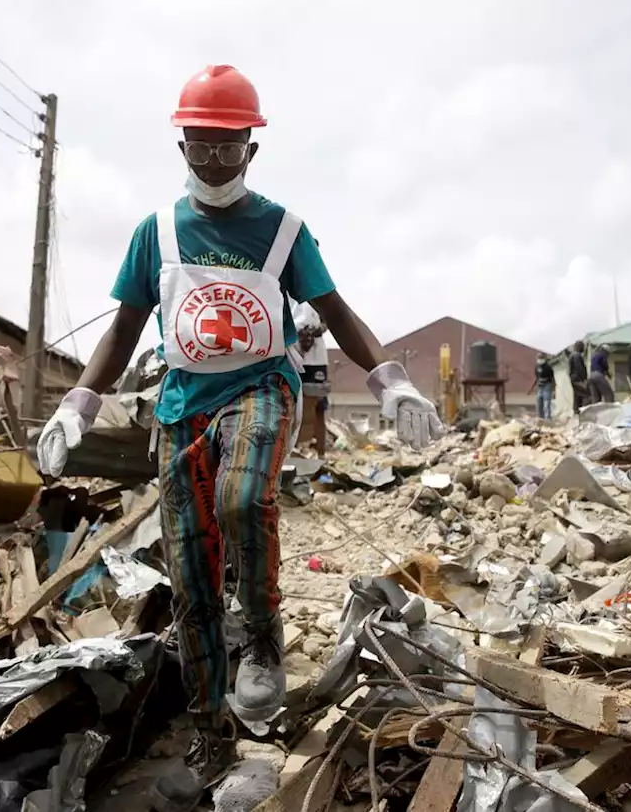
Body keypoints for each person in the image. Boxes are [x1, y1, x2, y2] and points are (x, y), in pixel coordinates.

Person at [34, 65, 445, 812]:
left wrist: (392, 381)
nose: (214, 159)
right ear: (182, 143)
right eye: (201, 144)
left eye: (229, 145)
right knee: (190, 575)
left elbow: (335, 309)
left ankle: (261, 634)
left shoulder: (281, 228)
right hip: (181, 403)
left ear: (251, 148)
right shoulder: (154, 233)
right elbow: (124, 327)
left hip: (260, 387)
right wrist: (79, 405)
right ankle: (211, 734)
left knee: (244, 493)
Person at [292, 298, 329, 454]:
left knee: (317, 404)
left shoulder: (317, 293)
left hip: (316, 358)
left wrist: (317, 330)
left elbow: (329, 318)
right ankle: (295, 450)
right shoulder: (281, 289)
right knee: (292, 403)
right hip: (292, 352)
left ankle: (318, 452)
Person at [530, 352, 555, 420]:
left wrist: (553, 390)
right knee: (539, 403)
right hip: (540, 386)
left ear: (544, 359)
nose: (540, 360)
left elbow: (552, 378)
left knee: (547, 403)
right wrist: (531, 388)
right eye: (539, 358)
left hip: (547, 385)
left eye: (541, 358)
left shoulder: (548, 367)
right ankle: (540, 418)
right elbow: (536, 377)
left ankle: (547, 419)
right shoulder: (537, 366)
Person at [568, 340, 589, 414]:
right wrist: (584, 379)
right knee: (586, 394)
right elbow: (579, 368)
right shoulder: (577, 355)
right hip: (578, 379)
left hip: (574, 378)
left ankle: (576, 411)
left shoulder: (572, 355)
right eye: (583, 347)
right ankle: (584, 411)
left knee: (577, 395)